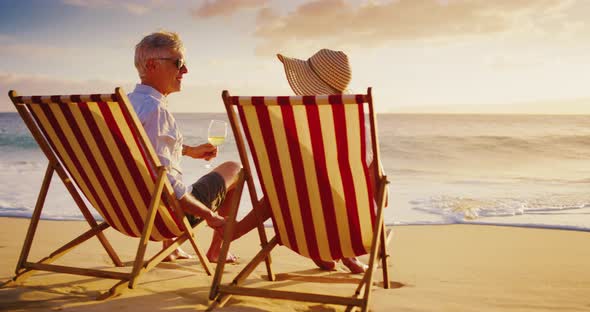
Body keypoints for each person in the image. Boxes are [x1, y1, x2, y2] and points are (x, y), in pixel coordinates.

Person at [128, 30, 239, 263]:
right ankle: (216, 250)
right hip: (163, 219)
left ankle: (173, 249)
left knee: (165, 178)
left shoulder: (126, 105)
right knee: (234, 169)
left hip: (126, 212)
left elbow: (145, 152)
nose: (185, 70)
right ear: (152, 65)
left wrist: (188, 151)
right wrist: (210, 215)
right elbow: (170, 187)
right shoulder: (157, 111)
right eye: (178, 63)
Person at [276, 48, 371, 274]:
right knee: (339, 191)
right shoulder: (357, 127)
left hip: (298, 215)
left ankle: (323, 249)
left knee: (301, 185)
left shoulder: (294, 125)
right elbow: (373, 179)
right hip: (349, 217)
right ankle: (346, 252)